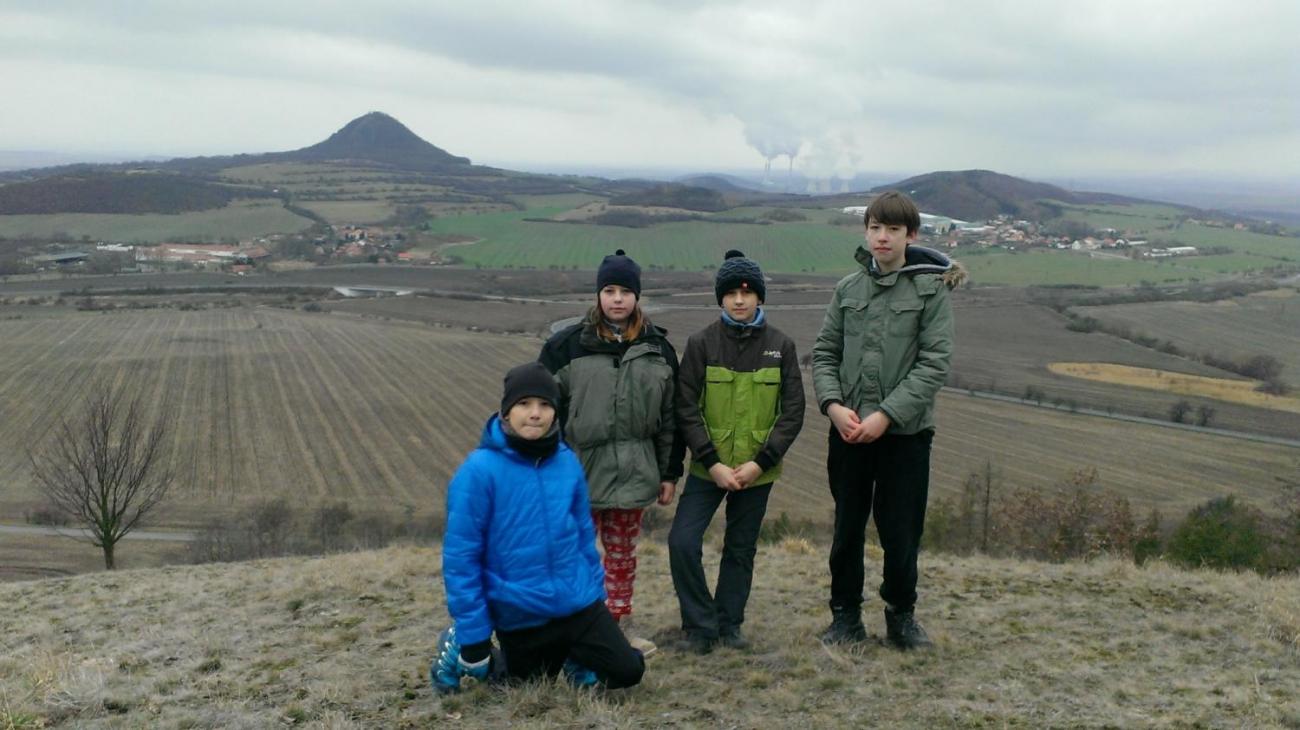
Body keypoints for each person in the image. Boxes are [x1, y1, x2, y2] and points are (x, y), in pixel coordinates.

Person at [432, 362, 645, 694]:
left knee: (629, 671)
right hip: (521, 608)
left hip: (576, 604)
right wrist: (473, 635)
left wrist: (596, 597)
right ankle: (454, 646)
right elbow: (461, 560)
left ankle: (577, 656)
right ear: (506, 411)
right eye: (524, 404)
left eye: (545, 405)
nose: (535, 413)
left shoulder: (567, 462)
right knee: (520, 689)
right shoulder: (477, 472)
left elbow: (582, 538)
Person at [810, 191, 964, 650]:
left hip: (905, 436)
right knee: (847, 529)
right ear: (866, 231)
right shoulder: (847, 290)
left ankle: (901, 617)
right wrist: (834, 406)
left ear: (910, 236)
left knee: (901, 533)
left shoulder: (930, 291)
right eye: (875, 228)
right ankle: (845, 617)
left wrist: (887, 415)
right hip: (849, 432)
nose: (882, 237)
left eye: (893, 230)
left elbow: (934, 363)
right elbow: (823, 354)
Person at [539, 250, 684, 647]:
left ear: (637, 297)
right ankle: (575, 629)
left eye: (625, 291)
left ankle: (617, 628)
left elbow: (671, 420)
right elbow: (541, 414)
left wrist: (670, 472)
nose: (617, 299)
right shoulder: (564, 347)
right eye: (609, 290)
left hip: (636, 469)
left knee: (622, 556)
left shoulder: (659, 350)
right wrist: (547, 469)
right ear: (598, 295)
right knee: (575, 554)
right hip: (577, 472)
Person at [668, 250, 805, 654]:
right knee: (681, 542)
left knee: (740, 549)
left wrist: (759, 463)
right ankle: (699, 626)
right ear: (720, 298)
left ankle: (729, 625)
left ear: (760, 297)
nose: (739, 300)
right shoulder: (701, 344)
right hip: (708, 469)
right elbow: (685, 407)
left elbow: (792, 411)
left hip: (757, 471)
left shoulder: (782, 346)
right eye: (730, 293)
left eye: (747, 292)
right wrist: (711, 463)